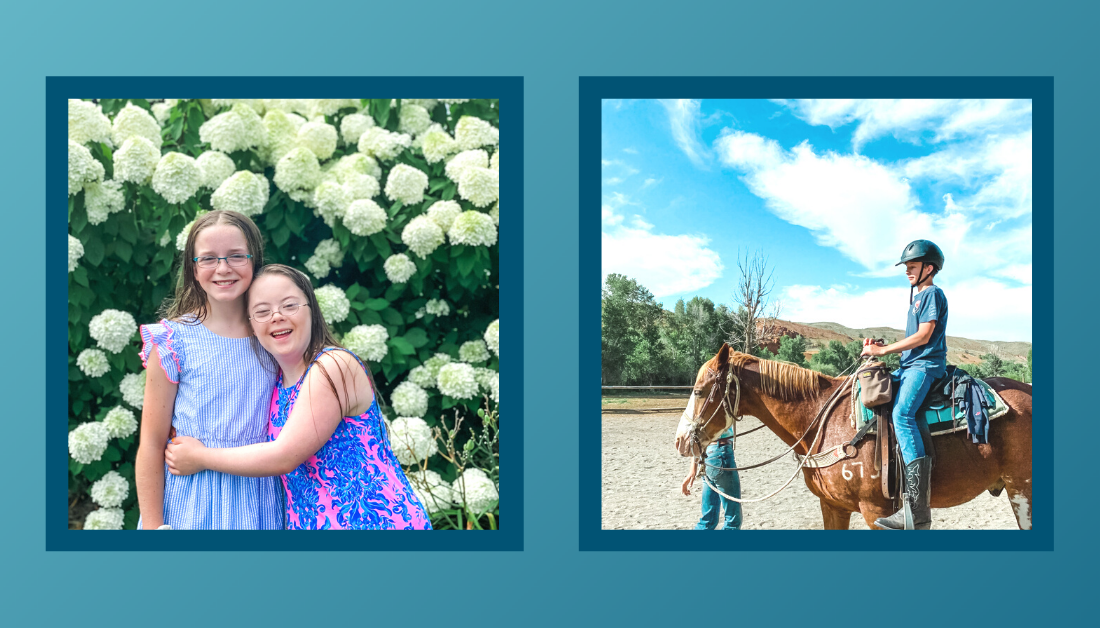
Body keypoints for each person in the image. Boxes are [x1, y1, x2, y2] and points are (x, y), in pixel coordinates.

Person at [165, 264, 431, 530]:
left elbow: (284, 455)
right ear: (252, 326)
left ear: (312, 311)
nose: (277, 316)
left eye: (290, 305)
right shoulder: (277, 385)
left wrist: (200, 457)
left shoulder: (333, 365)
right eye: (262, 311)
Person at [135, 210, 284, 530]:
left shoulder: (275, 335)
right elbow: (150, 443)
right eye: (209, 259)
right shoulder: (173, 342)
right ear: (193, 267)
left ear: (254, 259)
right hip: (192, 500)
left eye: (235, 256)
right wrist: (152, 527)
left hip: (262, 494)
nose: (223, 268)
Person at [859, 239, 948, 530]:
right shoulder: (917, 298)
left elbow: (924, 337)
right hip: (910, 365)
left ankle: (916, 511)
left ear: (929, 268)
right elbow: (913, 341)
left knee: (902, 415)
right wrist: (885, 346)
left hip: (925, 367)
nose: (907, 271)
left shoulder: (932, 294)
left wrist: (883, 351)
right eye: (906, 266)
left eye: (912, 266)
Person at [681, 425, 742, 530]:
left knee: (708, 519)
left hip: (706, 454)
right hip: (721, 453)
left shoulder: (698, 409)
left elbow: (694, 435)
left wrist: (693, 469)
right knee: (733, 520)